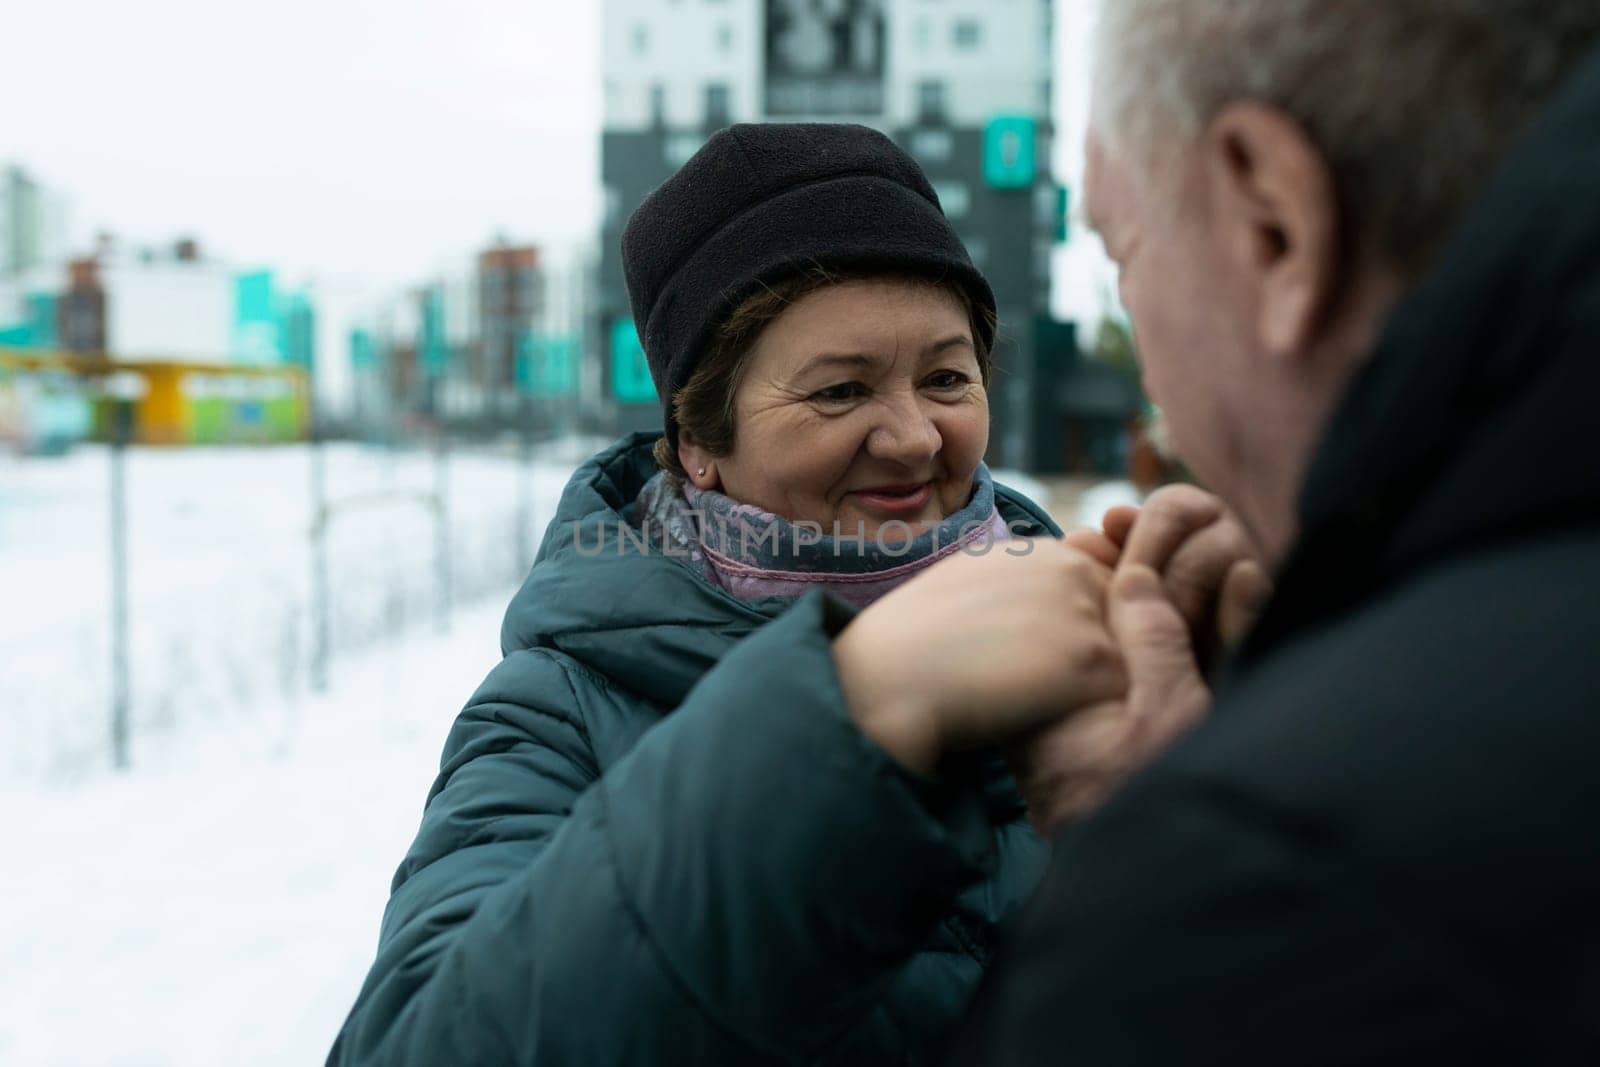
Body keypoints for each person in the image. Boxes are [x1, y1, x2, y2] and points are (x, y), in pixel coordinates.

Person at [328, 122, 1176, 1066]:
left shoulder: (1095, 635)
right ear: (700, 438)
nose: (912, 437)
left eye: (945, 377)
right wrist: (852, 711)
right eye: (838, 392)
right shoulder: (560, 713)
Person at [946, 3, 1600, 1063]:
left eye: (1125, 248)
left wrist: (1183, 843)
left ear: (1272, 224)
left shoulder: (1262, 888)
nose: (1151, 385)